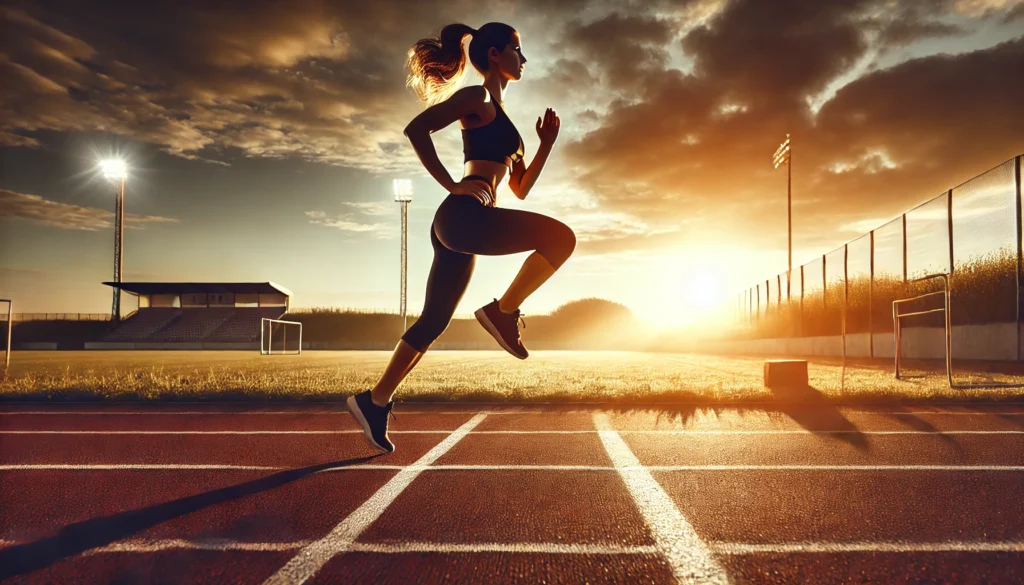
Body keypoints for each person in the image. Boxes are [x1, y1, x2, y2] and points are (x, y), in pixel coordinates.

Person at [346, 22, 576, 453]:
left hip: (463, 224)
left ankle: (374, 401)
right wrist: (452, 184)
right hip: (463, 214)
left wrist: (545, 144)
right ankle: (503, 313)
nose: (523, 60)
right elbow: (417, 130)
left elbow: (520, 189)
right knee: (561, 239)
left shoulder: (509, 124)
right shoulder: (479, 98)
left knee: (434, 321)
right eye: (517, 50)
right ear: (494, 54)